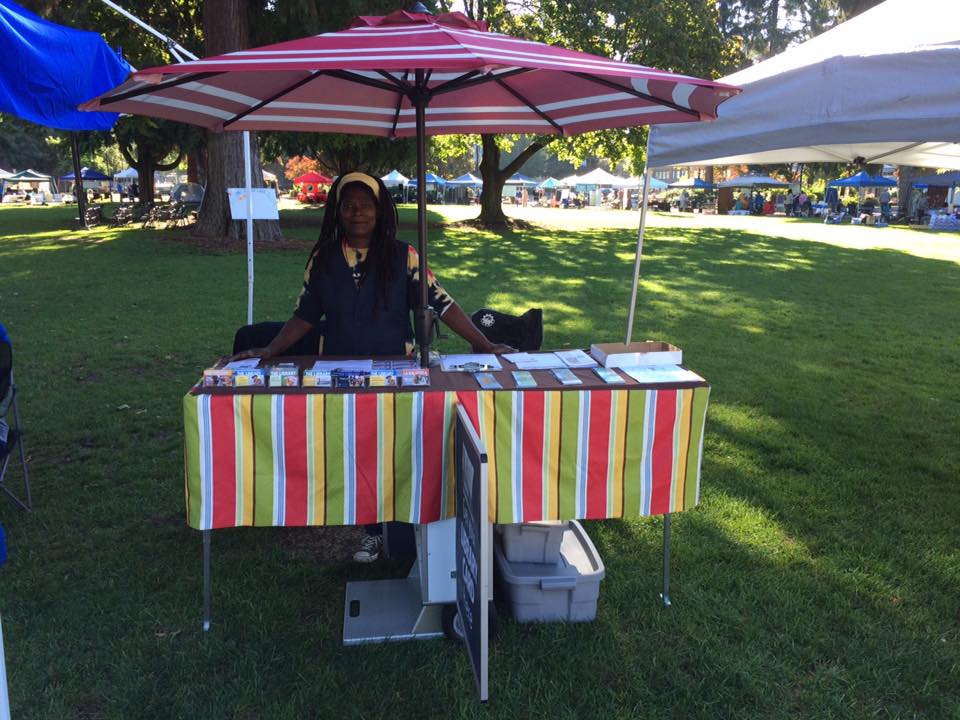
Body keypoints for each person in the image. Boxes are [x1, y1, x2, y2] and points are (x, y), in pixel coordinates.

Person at [228, 171, 514, 562]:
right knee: (359, 454)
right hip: (341, 374)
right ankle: (371, 530)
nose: (357, 211)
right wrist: (269, 350)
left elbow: (442, 304)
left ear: (381, 210)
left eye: (366, 204)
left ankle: (401, 530)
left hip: (398, 373)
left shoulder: (405, 256)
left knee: (399, 451)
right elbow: (305, 315)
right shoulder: (323, 258)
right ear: (338, 210)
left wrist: (483, 344)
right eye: (349, 204)